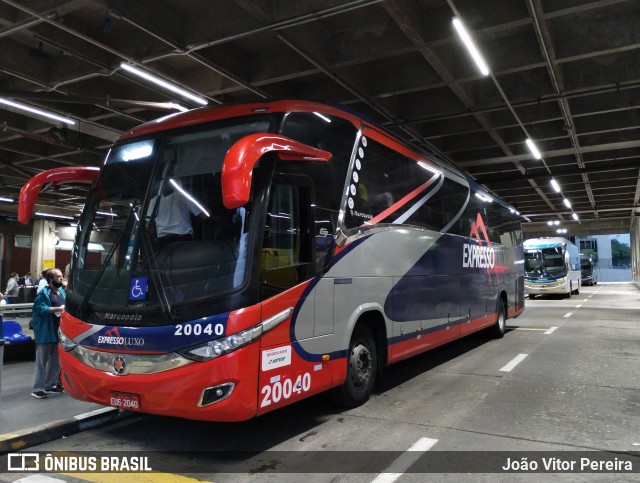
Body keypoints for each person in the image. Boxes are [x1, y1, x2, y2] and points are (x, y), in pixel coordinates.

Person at [31, 268, 65, 399]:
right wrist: (57, 309)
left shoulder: (61, 292)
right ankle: (37, 388)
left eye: (62, 276)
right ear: (51, 279)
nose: (61, 279)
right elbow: (39, 308)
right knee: (42, 361)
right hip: (46, 332)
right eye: (58, 277)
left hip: (59, 331)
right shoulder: (43, 293)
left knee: (57, 360)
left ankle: (51, 385)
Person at [149, 180, 208, 248]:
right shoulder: (184, 196)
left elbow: (149, 226)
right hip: (183, 240)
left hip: (163, 242)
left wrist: (155, 239)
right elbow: (204, 216)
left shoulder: (153, 201)